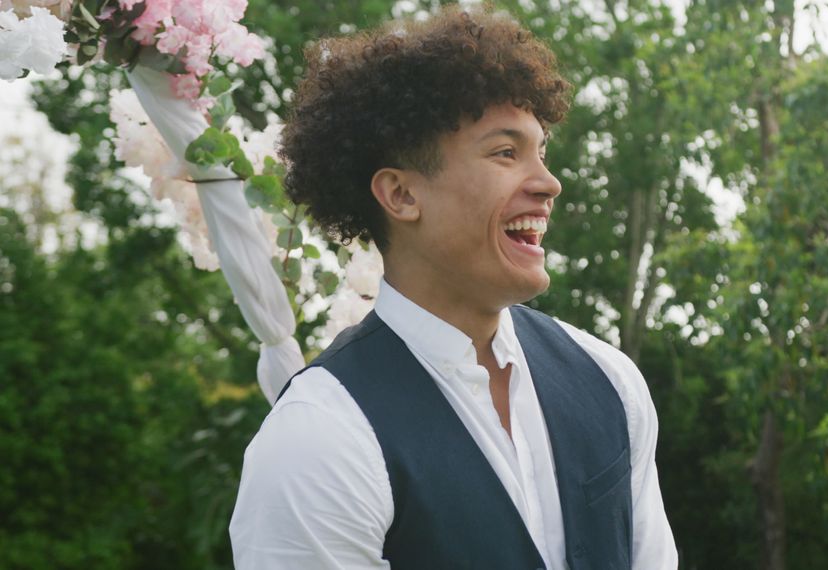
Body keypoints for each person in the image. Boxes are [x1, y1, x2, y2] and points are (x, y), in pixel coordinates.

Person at [229, 6, 678, 569]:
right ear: (401, 195)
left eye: (542, 151)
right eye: (505, 152)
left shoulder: (610, 380)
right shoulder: (316, 439)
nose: (548, 183)